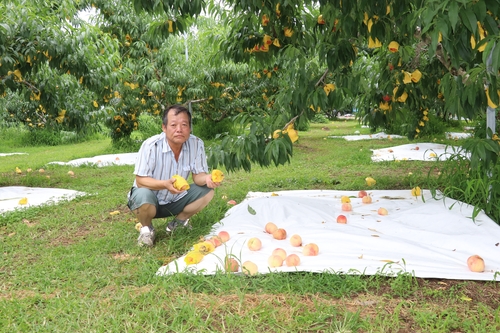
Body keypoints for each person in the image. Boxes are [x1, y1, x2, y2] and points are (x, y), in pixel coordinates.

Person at [127, 105, 221, 247]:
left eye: (184, 125)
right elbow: (140, 181)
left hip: (176, 199)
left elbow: (198, 176)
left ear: (189, 128)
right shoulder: (151, 146)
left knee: (207, 191)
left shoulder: (196, 144)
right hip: (150, 201)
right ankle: (147, 229)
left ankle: (177, 224)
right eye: (173, 125)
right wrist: (164, 184)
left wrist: (207, 178)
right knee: (142, 195)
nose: (179, 129)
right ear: (164, 127)